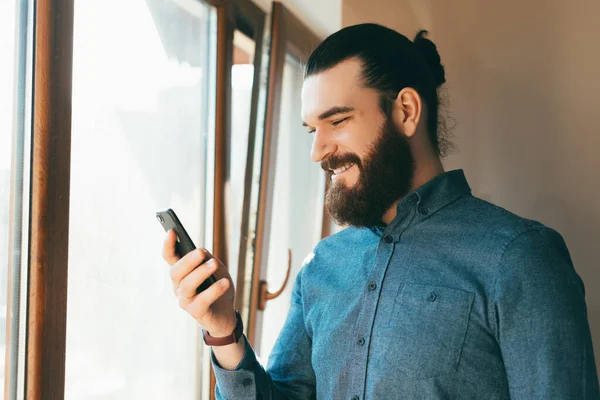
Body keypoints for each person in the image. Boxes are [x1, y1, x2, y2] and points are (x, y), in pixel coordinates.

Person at [162, 23, 600, 399]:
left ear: (406, 112)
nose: (318, 151)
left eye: (337, 121)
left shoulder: (521, 257)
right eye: (313, 129)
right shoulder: (324, 266)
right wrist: (223, 331)